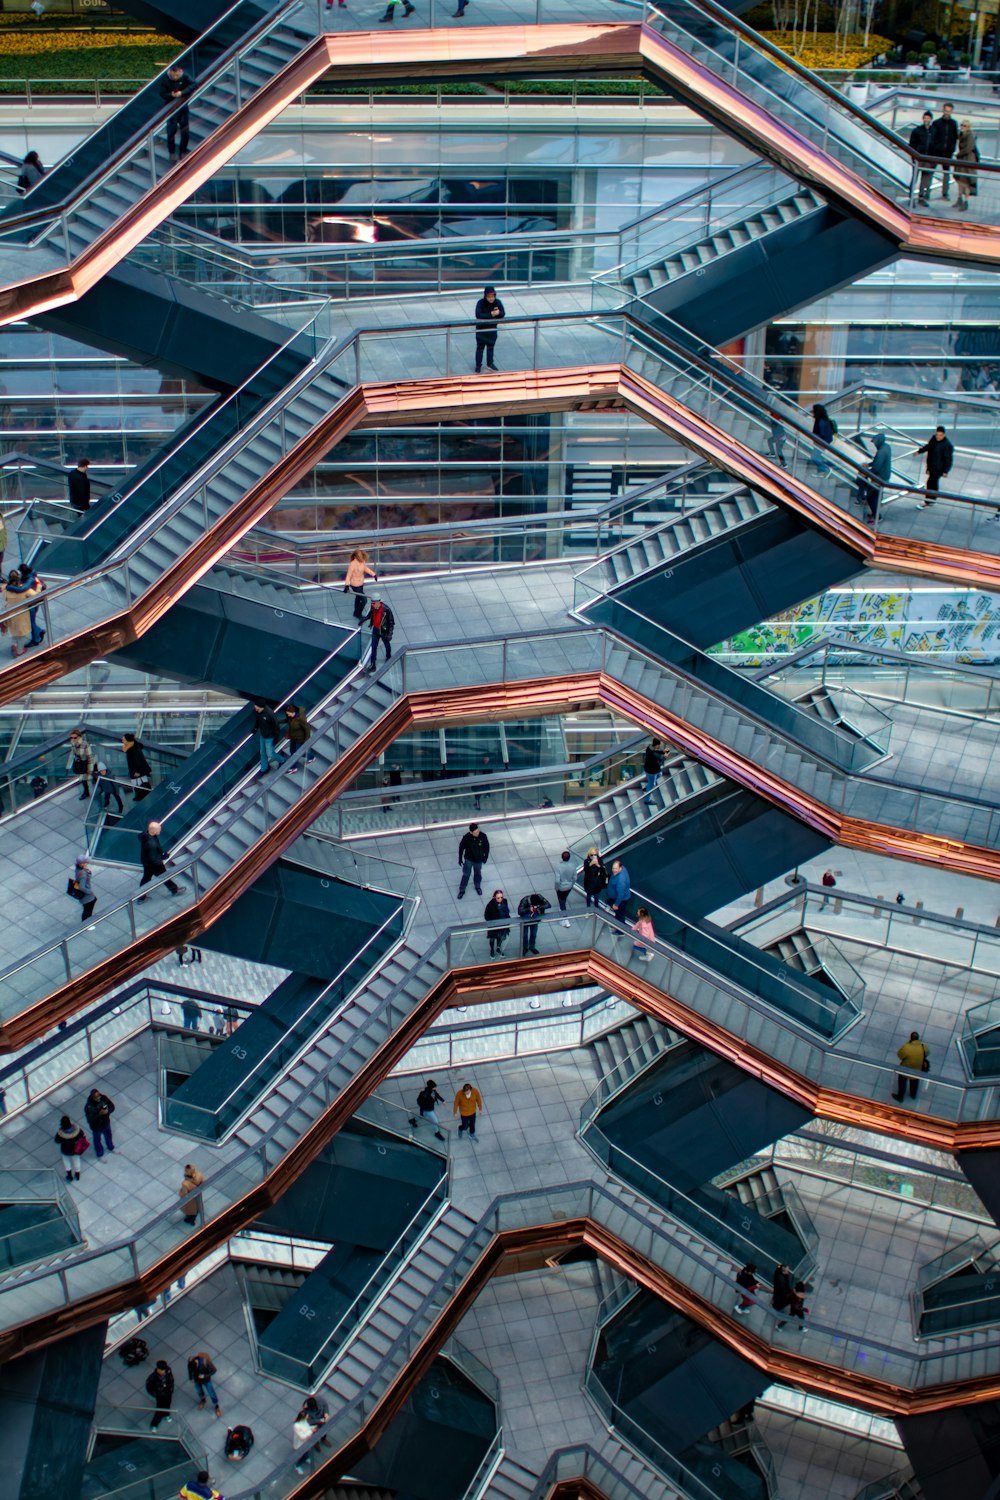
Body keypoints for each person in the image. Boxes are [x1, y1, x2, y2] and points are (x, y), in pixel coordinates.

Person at [139, 820, 182, 899]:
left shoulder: (146, 836)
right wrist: (163, 857)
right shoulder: (152, 844)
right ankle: (174, 890)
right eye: (159, 829)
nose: (160, 830)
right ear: (154, 831)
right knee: (164, 876)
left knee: (146, 878)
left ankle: (141, 896)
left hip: (147, 863)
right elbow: (153, 859)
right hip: (155, 865)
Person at [159, 62, 193, 161]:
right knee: (171, 132)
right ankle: (172, 152)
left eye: (177, 75)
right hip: (171, 108)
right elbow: (162, 93)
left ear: (180, 72)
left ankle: (183, 151)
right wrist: (171, 95)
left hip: (182, 107)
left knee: (185, 131)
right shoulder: (165, 80)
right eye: (173, 76)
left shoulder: (185, 77)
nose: (175, 78)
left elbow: (194, 84)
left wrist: (182, 93)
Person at [914, 425, 954, 507]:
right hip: (932, 466)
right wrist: (919, 451)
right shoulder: (934, 439)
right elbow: (929, 446)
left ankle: (928, 501)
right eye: (937, 435)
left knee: (931, 483)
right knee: (933, 483)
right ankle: (932, 499)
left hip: (939, 468)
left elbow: (948, 459)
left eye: (940, 435)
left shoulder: (947, 445)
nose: (938, 437)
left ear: (944, 435)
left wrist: (946, 471)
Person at [857, 432, 892, 520]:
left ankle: (876, 516)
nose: (874, 445)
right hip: (885, 476)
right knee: (875, 495)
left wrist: (867, 471)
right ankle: (875, 514)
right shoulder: (886, 447)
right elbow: (878, 462)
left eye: (875, 443)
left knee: (871, 496)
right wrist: (869, 464)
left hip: (879, 478)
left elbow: (876, 467)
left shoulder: (881, 452)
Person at [930, 100, 959, 199]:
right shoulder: (936, 123)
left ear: (951, 112)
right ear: (943, 110)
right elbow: (933, 137)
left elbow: (954, 137)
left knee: (946, 172)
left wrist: (951, 149)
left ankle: (945, 193)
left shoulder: (953, 124)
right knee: (931, 171)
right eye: (946, 110)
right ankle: (926, 192)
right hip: (936, 152)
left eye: (949, 111)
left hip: (947, 152)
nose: (947, 113)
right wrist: (934, 148)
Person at [474, 285, 505, 373]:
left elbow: (503, 313)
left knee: (490, 347)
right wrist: (491, 314)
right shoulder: (480, 303)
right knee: (480, 348)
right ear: (485, 296)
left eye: (493, 296)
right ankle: (478, 365)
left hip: (492, 329)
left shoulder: (498, 302)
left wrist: (498, 313)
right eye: (489, 297)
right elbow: (478, 315)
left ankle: (490, 363)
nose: (491, 299)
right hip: (481, 329)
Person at [892, 1030, 929, 1102]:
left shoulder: (906, 1047)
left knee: (902, 1083)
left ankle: (900, 1097)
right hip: (917, 1070)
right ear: (918, 1038)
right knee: (914, 1083)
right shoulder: (923, 1047)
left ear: (910, 1038)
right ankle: (913, 1095)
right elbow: (927, 1054)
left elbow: (900, 1055)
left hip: (905, 1068)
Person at [3, 569, 32, 659]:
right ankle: (19, 650)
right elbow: (35, 595)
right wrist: (38, 587)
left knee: (14, 631)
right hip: (21, 614)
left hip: (10, 613)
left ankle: (14, 644)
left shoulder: (6, 588)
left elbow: (5, 598)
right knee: (22, 634)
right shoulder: (24, 589)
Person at [362, 594, 394, 672]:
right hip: (376, 630)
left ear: (379, 602)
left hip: (384, 631)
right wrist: (362, 621)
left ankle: (389, 657)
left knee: (387, 644)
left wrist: (390, 634)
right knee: (373, 647)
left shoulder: (386, 610)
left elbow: (391, 623)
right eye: (372, 602)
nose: (372, 604)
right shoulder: (373, 607)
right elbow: (369, 616)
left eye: (374, 603)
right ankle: (373, 664)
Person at [457, 822, 490, 899]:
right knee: (466, 875)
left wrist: (486, 857)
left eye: (478, 831)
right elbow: (461, 848)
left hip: (478, 860)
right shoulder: (466, 838)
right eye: (475, 832)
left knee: (478, 874)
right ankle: (462, 890)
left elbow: (487, 847)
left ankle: (477, 886)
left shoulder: (483, 836)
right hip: (469, 859)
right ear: (471, 832)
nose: (477, 833)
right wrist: (460, 858)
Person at [909, 110, 935, 203]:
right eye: (925, 118)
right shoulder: (917, 131)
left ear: (931, 119)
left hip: (928, 158)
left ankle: (921, 196)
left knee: (925, 179)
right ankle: (911, 195)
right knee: (915, 176)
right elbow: (911, 145)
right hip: (918, 157)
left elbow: (935, 145)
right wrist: (913, 156)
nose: (926, 120)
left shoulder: (934, 131)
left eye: (928, 118)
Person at [343, 548, 376, 620]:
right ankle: (358, 614)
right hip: (355, 584)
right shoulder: (352, 564)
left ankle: (355, 612)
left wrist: (373, 574)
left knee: (358, 598)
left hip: (361, 583)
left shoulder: (362, 562)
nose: (360, 558)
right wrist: (346, 586)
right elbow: (348, 575)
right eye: (359, 556)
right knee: (364, 600)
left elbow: (365, 568)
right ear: (355, 557)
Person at [954, 119, 979, 212]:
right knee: (960, 180)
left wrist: (958, 154)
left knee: (966, 181)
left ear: (968, 127)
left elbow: (968, 148)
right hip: (962, 159)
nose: (962, 127)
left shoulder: (970, 136)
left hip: (967, 160)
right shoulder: (961, 135)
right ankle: (959, 198)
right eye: (961, 125)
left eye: (964, 126)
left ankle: (966, 201)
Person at [188, 1351, 222, 1417]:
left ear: (196, 1362)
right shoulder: (190, 1362)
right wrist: (191, 1378)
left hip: (206, 1380)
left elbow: (214, 1370)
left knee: (211, 1392)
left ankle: (216, 1406)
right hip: (196, 1379)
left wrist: (205, 1376)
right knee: (199, 1390)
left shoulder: (205, 1361)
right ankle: (203, 1400)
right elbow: (189, 1370)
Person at [54, 1114, 87, 1181]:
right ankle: (77, 1175)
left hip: (65, 1150)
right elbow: (83, 1136)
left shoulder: (61, 1134)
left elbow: (57, 1141)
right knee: (76, 1161)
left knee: (66, 1162)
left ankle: (69, 1175)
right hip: (76, 1150)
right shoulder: (77, 1131)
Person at [84, 1086, 115, 1157]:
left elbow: (112, 1106)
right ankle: (100, 1152)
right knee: (97, 1139)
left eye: (99, 1097)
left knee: (108, 1135)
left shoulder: (103, 1099)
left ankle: (110, 1147)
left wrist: (107, 1111)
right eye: (96, 1098)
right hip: (96, 1126)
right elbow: (90, 1119)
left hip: (106, 1122)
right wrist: (99, 1114)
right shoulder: (89, 1107)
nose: (98, 1099)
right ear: (92, 1097)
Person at [253, 701, 283, 773]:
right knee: (262, 752)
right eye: (255, 708)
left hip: (270, 737)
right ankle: (264, 768)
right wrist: (255, 728)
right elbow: (258, 721)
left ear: (262, 707)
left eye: (257, 709)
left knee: (270, 753)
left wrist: (276, 737)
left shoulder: (270, 714)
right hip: (263, 735)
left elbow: (276, 726)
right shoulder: (258, 712)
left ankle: (282, 760)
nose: (256, 710)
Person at [123, 731, 153, 799]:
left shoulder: (132, 749)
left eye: (123, 739)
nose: (122, 740)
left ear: (128, 741)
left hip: (137, 771)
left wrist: (138, 772)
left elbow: (138, 761)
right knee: (141, 783)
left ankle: (140, 797)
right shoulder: (134, 745)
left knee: (138, 784)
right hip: (138, 771)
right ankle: (141, 796)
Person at [146, 1359, 174, 1428]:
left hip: (168, 1393)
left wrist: (171, 1388)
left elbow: (171, 1378)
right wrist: (156, 1394)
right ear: (158, 1369)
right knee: (159, 1410)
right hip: (160, 1396)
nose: (163, 1372)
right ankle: (154, 1424)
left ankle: (166, 1415)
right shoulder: (152, 1377)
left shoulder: (168, 1371)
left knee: (167, 1405)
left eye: (164, 1370)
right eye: (162, 1370)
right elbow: (149, 1388)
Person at [67, 728, 95, 801]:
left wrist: (90, 768)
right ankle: (86, 792)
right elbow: (74, 753)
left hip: (85, 763)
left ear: (79, 737)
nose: (73, 739)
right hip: (79, 763)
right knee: (83, 779)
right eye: (72, 737)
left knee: (84, 779)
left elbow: (90, 757)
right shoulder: (73, 743)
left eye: (75, 737)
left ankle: (87, 792)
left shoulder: (85, 744)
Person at [68, 855, 97, 922]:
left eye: (86, 862)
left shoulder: (78, 869)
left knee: (90, 905)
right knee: (88, 909)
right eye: (84, 863)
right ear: (81, 864)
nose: (86, 864)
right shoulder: (83, 874)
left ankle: (86, 920)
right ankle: (86, 923)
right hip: (86, 896)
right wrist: (89, 891)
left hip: (87, 895)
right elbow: (82, 887)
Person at [808, 404, 834, 473]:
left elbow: (821, 433)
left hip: (821, 442)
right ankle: (821, 471)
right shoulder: (824, 419)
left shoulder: (820, 420)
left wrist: (815, 437)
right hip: (823, 441)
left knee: (814, 457)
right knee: (817, 457)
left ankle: (825, 469)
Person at [484, 889, 510, 957]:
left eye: (501, 897)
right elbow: (486, 916)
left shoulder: (505, 901)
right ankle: (492, 950)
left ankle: (498, 948)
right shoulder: (490, 905)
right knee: (492, 938)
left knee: (500, 937)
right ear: (495, 897)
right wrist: (492, 922)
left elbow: (507, 911)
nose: (500, 899)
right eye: (498, 897)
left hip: (503, 923)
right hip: (494, 924)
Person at [554, 850, 574, 926]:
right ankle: (562, 910)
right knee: (564, 899)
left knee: (562, 901)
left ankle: (565, 919)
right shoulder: (572, 866)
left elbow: (557, 880)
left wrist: (556, 887)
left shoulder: (558, 867)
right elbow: (574, 877)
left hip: (561, 887)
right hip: (568, 887)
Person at [643, 737, 664, 805]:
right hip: (652, 771)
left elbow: (655, 752)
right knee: (652, 784)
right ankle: (647, 800)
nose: (660, 746)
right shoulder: (654, 755)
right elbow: (658, 764)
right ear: (657, 745)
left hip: (647, 769)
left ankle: (647, 787)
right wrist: (664, 757)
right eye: (659, 745)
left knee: (659, 774)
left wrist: (662, 752)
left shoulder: (649, 747)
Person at [293, 1408, 315, 1472]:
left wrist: (311, 1428)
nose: (308, 1416)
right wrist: (311, 1431)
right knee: (304, 1455)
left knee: (307, 1452)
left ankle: (306, 1458)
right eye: (307, 1415)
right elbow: (302, 1437)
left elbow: (306, 1428)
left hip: (307, 1441)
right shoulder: (297, 1426)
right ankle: (297, 1466)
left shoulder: (304, 1421)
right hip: (302, 1444)